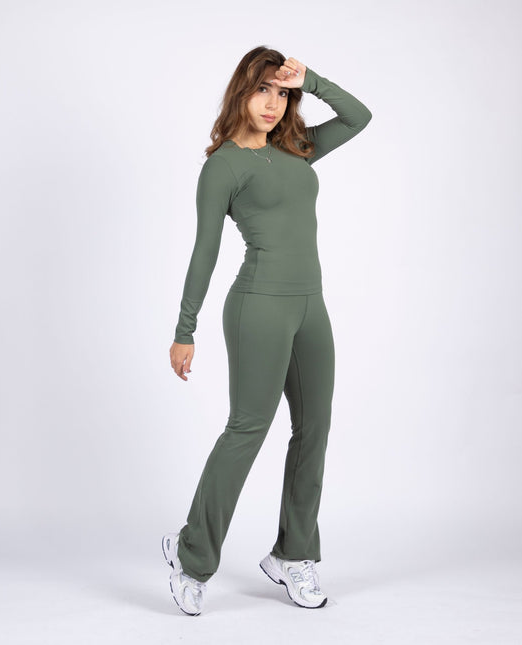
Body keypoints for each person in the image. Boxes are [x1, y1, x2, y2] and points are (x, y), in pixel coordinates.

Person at [163, 45, 372, 616]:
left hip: (311, 307)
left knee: (314, 429)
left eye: (283, 93)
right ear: (241, 91)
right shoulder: (223, 166)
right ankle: (191, 556)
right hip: (258, 306)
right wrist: (185, 329)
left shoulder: (297, 148)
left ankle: (293, 554)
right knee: (247, 429)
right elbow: (205, 251)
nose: (273, 103)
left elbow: (359, 117)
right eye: (263, 90)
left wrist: (313, 80)